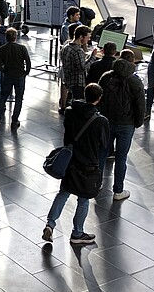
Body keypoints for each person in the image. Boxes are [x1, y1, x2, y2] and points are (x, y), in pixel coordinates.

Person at [42, 84, 109, 245]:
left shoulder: (71, 112)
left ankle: (50, 224)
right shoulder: (100, 121)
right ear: (99, 99)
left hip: (70, 161)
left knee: (63, 193)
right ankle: (77, 232)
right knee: (83, 199)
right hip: (88, 164)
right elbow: (104, 144)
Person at [98, 49, 146, 201]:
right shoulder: (135, 81)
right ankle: (118, 190)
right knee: (121, 157)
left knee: (102, 153)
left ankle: (95, 183)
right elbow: (140, 105)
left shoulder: (106, 77)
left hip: (107, 121)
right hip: (126, 123)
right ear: (132, 62)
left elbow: (98, 97)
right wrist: (138, 122)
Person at [0, 27, 31, 128]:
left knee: (3, 97)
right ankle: (14, 121)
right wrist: (25, 72)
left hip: (8, 76)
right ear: (15, 37)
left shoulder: (1, 49)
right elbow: (28, 62)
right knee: (18, 99)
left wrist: (4, 70)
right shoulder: (22, 48)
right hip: (19, 76)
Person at [60, 25, 97, 104]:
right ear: (81, 37)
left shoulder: (66, 47)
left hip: (68, 80)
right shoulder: (78, 51)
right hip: (77, 83)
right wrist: (93, 57)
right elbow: (83, 68)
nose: (89, 39)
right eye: (87, 37)